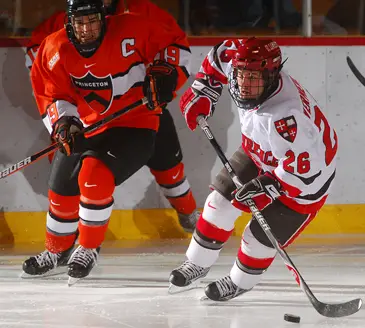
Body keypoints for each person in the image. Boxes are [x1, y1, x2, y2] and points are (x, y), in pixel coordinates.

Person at [22, 0, 198, 278]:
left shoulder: (134, 26)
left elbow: (176, 45)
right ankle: (57, 250)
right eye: (80, 22)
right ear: (69, 21)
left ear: (104, 18)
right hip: (88, 126)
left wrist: (166, 73)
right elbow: (51, 93)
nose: (87, 29)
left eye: (93, 20)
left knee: (95, 175)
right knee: (61, 187)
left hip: (136, 123)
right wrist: (64, 123)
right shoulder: (54, 47)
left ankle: (89, 247)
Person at [169, 37, 338, 301]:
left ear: (272, 75)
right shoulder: (239, 59)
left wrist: (271, 186)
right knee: (218, 203)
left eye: (254, 78)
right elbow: (218, 56)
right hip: (258, 151)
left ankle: (239, 282)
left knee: (257, 237)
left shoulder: (287, 118)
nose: (244, 85)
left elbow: (308, 171)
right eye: (241, 76)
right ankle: (198, 263)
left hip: (303, 183)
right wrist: (205, 89)